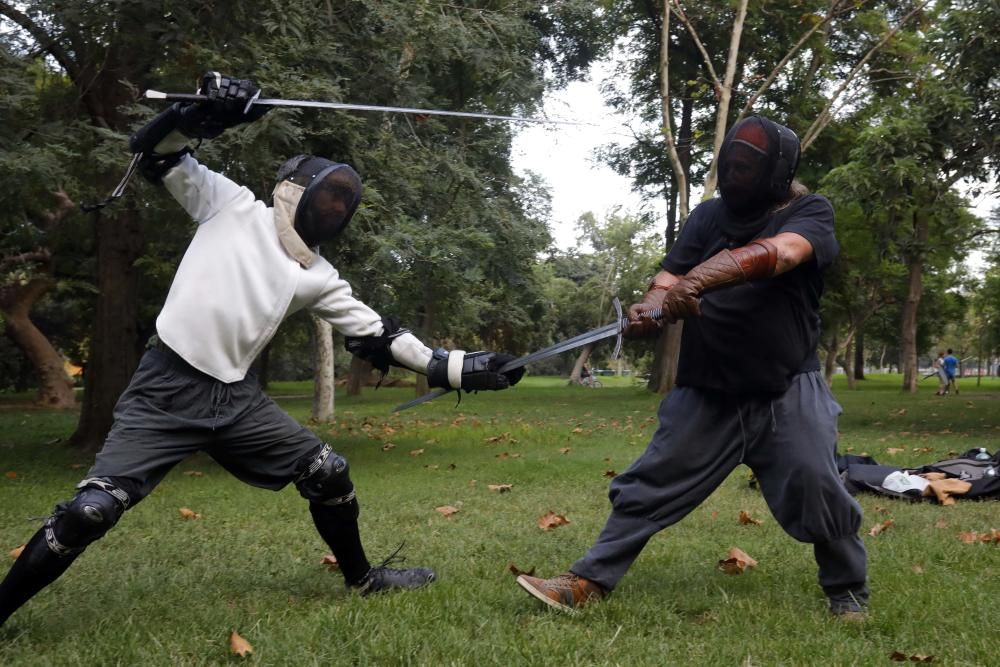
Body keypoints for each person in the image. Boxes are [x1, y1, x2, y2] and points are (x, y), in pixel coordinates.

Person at [0, 72, 523, 629]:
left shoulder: (318, 275)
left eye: (344, 201)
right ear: (294, 187)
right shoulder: (230, 206)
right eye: (330, 193)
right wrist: (205, 114)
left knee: (329, 473)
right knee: (91, 510)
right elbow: (159, 154)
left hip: (236, 401)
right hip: (165, 389)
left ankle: (362, 577)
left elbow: (380, 336)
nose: (335, 206)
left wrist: (468, 369)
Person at [515, 115, 869, 618]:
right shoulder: (707, 216)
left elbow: (784, 252)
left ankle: (847, 590)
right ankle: (588, 580)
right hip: (707, 389)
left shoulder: (809, 211)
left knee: (817, 486)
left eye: (747, 167)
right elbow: (668, 277)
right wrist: (648, 308)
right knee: (648, 484)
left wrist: (699, 281)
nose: (734, 175)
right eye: (730, 165)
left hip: (788, 387)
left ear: (775, 172)